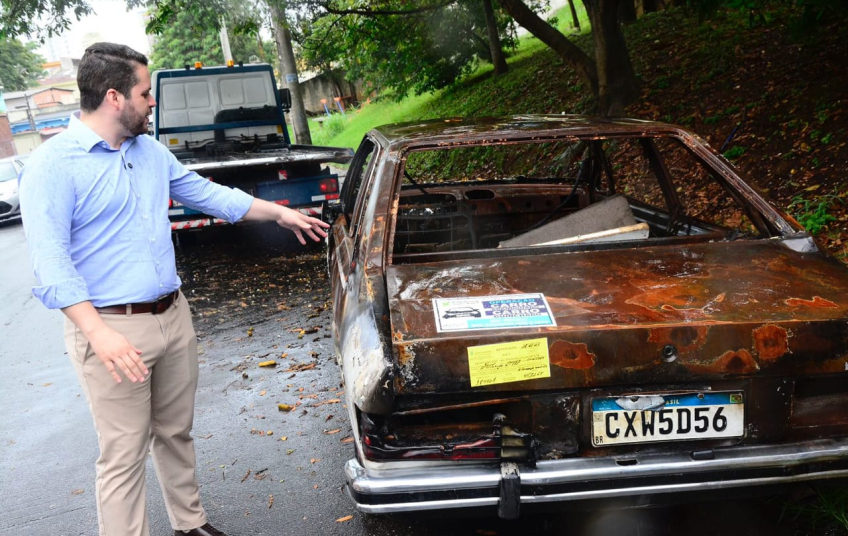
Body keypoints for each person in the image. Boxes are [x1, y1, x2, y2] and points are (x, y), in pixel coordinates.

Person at [18, 42, 329, 536]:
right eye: (145, 92)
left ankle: (190, 523)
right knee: (123, 453)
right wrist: (98, 334)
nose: (153, 101)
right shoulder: (52, 166)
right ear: (115, 97)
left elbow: (208, 194)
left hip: (172, 315)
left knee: (175, 432)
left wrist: (279, 213)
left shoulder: (150, 152)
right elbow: (52, 263)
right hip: (112, 329)